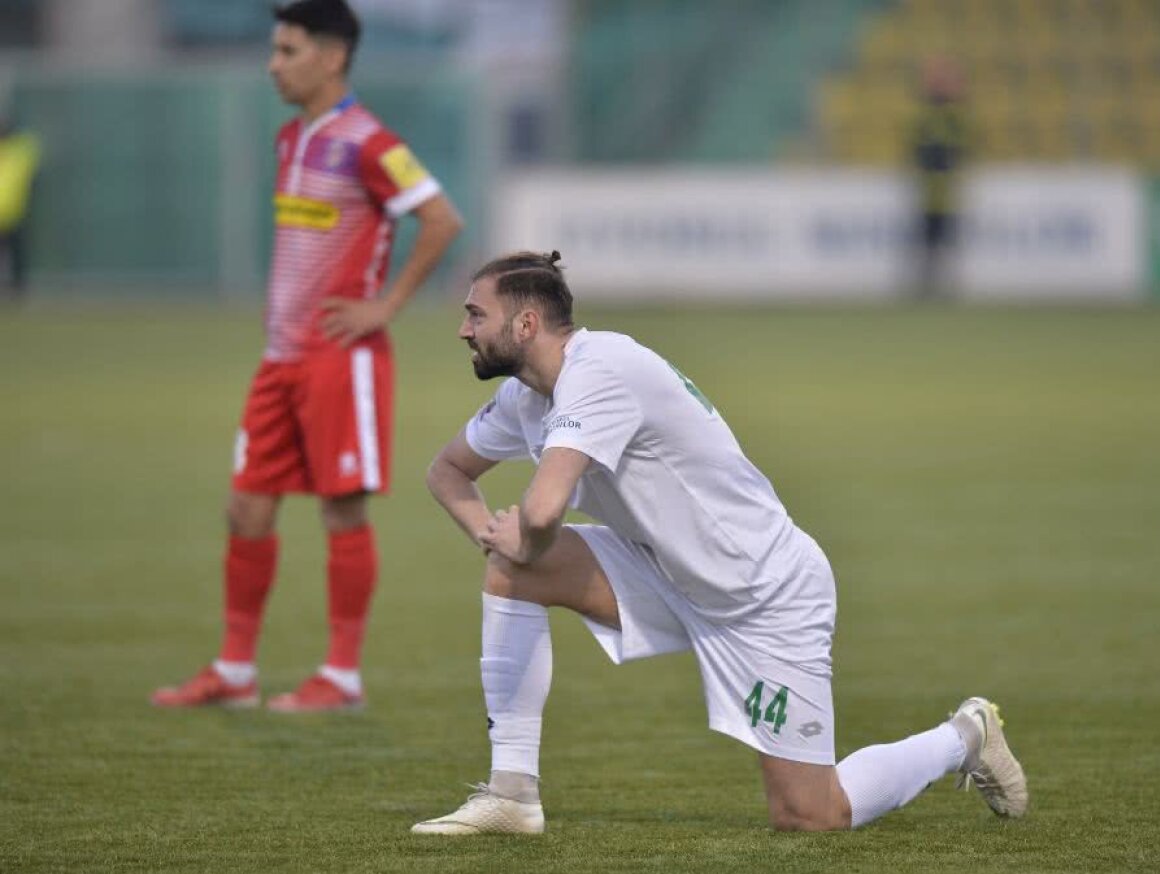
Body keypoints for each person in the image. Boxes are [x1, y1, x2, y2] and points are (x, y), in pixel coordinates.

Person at [410, 251, 1027, 834]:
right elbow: (448, 472)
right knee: (514, 569)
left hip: (764, 594)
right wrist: (496, 537)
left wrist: (525, 535)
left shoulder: (598, 372)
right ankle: (512, 793)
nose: (463, 329)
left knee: (811, 816)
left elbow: (542, 512)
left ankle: (964, 736)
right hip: (662, 572)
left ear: (525, 323)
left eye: (475, 314)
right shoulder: (525, 395)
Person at [152, 0, 463, 712]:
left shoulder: (371, 142)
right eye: (274, 49)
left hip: (338, 360)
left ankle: (342, 678)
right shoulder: (292, 138)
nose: (273, 64)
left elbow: (442, 219)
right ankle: (234, 672)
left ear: (331, 56)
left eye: (287, 50)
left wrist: (385, 306)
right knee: (246, 509)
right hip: (279, 359)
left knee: (342, 512)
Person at [910, 56, 968, 299]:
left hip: (944, 193)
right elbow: (917, 147)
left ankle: (942, 286)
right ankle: (929, 286)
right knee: (929, 242)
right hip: (930, 193)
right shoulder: (926, 115)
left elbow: (959, 148)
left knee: (943, 242)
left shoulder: (953, 116)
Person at [0, 113, 41, 297]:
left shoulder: (19, 150)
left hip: (13, 213)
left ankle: (18, 290)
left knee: (17, 255)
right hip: (11, 212)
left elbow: (31, 146)